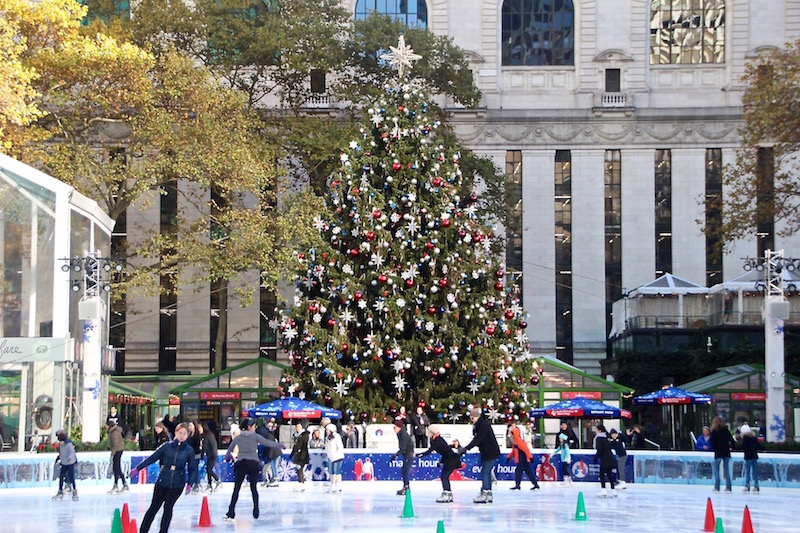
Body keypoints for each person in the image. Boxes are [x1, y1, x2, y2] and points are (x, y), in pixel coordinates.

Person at [130, 422, 198, 533]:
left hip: (177, 483)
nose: (181, 435)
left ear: (187, 435)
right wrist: (138, 468)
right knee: (154, 507)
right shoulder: (167, 446)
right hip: (162, 480)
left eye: (184, 434)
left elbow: (193, 469)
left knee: (168, 508)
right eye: (180, 433)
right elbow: (152, 458)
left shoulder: (189, 451)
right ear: (175, 433)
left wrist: (190, 484)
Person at [223, 418, 281, 521]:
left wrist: (227, 456)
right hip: (253, 463)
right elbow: (267, 442)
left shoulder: (239, 437)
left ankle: (231, 511)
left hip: (241, 463)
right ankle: (256, 511)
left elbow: (230, 448)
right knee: (253, 489)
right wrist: (279, 445)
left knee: (236, 489)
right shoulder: (255, 436)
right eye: (254, 426)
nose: (255, 428)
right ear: (249, 427)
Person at [461, 407, 501, 504]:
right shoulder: (479, 425)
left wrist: (466, 448)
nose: (471, 420)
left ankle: (485, 492)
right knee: (486, 472)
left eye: (472, 418)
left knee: (485, 472)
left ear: (477, 417)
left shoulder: (482, 425)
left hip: (490, 452)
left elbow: (478, 439)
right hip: (487, 452)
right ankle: (488, 493)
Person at [416, 424, 461, 503]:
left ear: (433, 433)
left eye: (429, 433)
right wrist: (441, 462)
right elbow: (445, 451)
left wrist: (420, 455)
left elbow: (430, 451)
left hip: (451, 460)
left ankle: (447, 493)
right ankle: (448, 493)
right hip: (449, 460)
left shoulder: (437, 441)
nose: (428, 434)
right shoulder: (437, 440)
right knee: (444, 477)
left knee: (444, 477)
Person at [506, 421, 540, 491]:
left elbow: (525, 449)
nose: (511, 435)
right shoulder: (516, 442)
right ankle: (535, 485)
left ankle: (518, 485)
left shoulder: (519, 441)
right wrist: (509, 458)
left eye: (512, 434)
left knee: (519, 472)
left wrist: (530, 457)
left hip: (522, 460)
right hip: (521, 460)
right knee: (527, 472)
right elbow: (513, 451)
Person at [709, 415, 735, 493]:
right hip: (726, 452)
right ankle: (728, 487)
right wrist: (731, 447)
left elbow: (712, 442)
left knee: (716, 470)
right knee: (726, 470)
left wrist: (715, 448)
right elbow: (732, 440)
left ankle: (717, 487)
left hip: (718, 452)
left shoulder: (714, 431)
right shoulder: (726, 430)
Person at [52, 429, 78, 501]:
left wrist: (70, 458)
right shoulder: (61, 445)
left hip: (70, 463)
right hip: (64, 463)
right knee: (61, 477)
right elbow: (61, 453)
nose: (60, 443)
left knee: (71, 477)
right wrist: (58, 458)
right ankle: (60, 491)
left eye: (61, 441)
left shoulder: (69, 444)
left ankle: (74, 491)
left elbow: (72, 453)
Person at [391, 419, 415, 495]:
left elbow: (403, 448)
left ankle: (407, 488)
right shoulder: (400, 434)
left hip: (409, 455)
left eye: (395, 427)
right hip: (407, 454)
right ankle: (405, 487)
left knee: (404, 472)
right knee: (404, 471)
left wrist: (395, 455)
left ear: (399, 427)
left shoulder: (403, 435)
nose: (394, 429)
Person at [593, 424, 616, 497]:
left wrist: (595, 457)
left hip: (605, 458)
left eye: (596, 430)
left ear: (599, 431)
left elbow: (599, 449)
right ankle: (613, 490)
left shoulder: (599, 438)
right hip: (611, 457)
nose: (595, 431)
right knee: (609, 474)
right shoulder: (606, 437)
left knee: (602, 474)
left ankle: (603, 490)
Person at [107, 420, 129, 494]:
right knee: (116, 468)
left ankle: (123, 484)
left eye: (106, 426)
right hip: (118, 450)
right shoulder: (113, 432)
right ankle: (117, 484)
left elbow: (115, 444)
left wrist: (112, 454)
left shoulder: (115, 433)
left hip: (117, 451)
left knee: (117, 468)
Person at [739, 423, 761, 493]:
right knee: (755, 472)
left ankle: (747, 485)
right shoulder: (754, 438)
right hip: (754, 456)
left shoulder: (745, 438)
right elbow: (757, 446)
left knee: (748, 471)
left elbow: (744, 447)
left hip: (748, 456)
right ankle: (756, 485)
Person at [259, 420, 281, 488]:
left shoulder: (270, 435)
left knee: (273, 466)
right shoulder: (268, 434)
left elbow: (272, 447)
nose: (270, 427)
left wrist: (270, 456)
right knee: (270, 467)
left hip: (275, 454)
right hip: (272, 454)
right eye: (269, 426)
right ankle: (271, 479)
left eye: (271, 426)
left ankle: (275, 479)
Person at [289, 421, 310, 492]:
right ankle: (300, 483)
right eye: (296, 427)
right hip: (297, 455)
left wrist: (302, 456)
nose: (297, 428)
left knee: (300, 469)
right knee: (298, 470)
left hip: (302, 456)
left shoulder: (305, 435)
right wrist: (292, 454)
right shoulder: (296, 435)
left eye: (299, 427)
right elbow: (295, 446)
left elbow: (305, 446)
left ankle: (302, 484)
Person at [325, 423, 345, 492]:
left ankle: (338, 485)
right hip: (330, 457)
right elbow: (327, 448)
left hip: (337, 457)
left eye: (327, 430)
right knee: (331, 471)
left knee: (336, 470)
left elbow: (340, 447)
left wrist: (335, 455)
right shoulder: (327, 438)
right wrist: (329, 455)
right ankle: (332, 484)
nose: (326, 431)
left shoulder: (337, 436)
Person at [202, 421, 221, 492]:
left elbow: (213, 445)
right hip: (209, 455)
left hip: (212, 455)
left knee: (209, 470)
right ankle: (209, 484)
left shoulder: (209, 435)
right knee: (208, 470)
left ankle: (217, 481)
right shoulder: (206, 435)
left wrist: (213, 454)